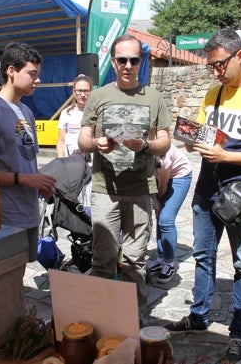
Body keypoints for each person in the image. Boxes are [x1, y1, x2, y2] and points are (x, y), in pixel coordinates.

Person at [164, 28, 241, 364]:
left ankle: (238, 332)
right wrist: (193, 141)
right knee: (204, 256)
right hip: (207, 186)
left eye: (219, 65)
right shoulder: (213, 94)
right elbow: (207, 137)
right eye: (211, 67)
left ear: (240, 56)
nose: (215, 71)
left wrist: (227, 156)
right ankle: (199, 315)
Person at [78, 34, 172, 310]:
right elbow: (83, 140)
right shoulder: (98, 95)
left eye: (134, 60)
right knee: (103, 259)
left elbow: (166, 142)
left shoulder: (154, 98)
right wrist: (97, 143)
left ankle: (132, 320)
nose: (128, 65)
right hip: (104, 190)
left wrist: (144, 145)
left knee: (134, 261)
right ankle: (101, 317)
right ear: (113, 61)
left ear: (140, 61)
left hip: (141, 189)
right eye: (122, 60)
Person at [0, 42, 57, 261]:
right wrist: (25, 179)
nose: (38, 80)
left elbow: (27, 161)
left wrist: (39, 183)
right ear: (11, 70)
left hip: (28, 213)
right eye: (32, 74)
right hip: (4, 217)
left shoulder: (26, 111)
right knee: (5, 277)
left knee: (19, 275)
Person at [147, 143, 192, 284]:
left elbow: (162, 186)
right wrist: (154, 201)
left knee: (166, 218)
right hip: (158, 178)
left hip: (179, 176)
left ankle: (169, 263)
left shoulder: (162, 157)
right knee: (160, 216)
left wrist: (158, 201)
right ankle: (161, 259)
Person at [56, 74, 93, 158]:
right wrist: (61, 160)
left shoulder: (96, 112)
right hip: (70, 159)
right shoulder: (66, 113)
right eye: (79, 91)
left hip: (90, 160)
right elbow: (61, 140)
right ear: (74, 91)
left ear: (91, 91)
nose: (82, 95)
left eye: (86, 91)